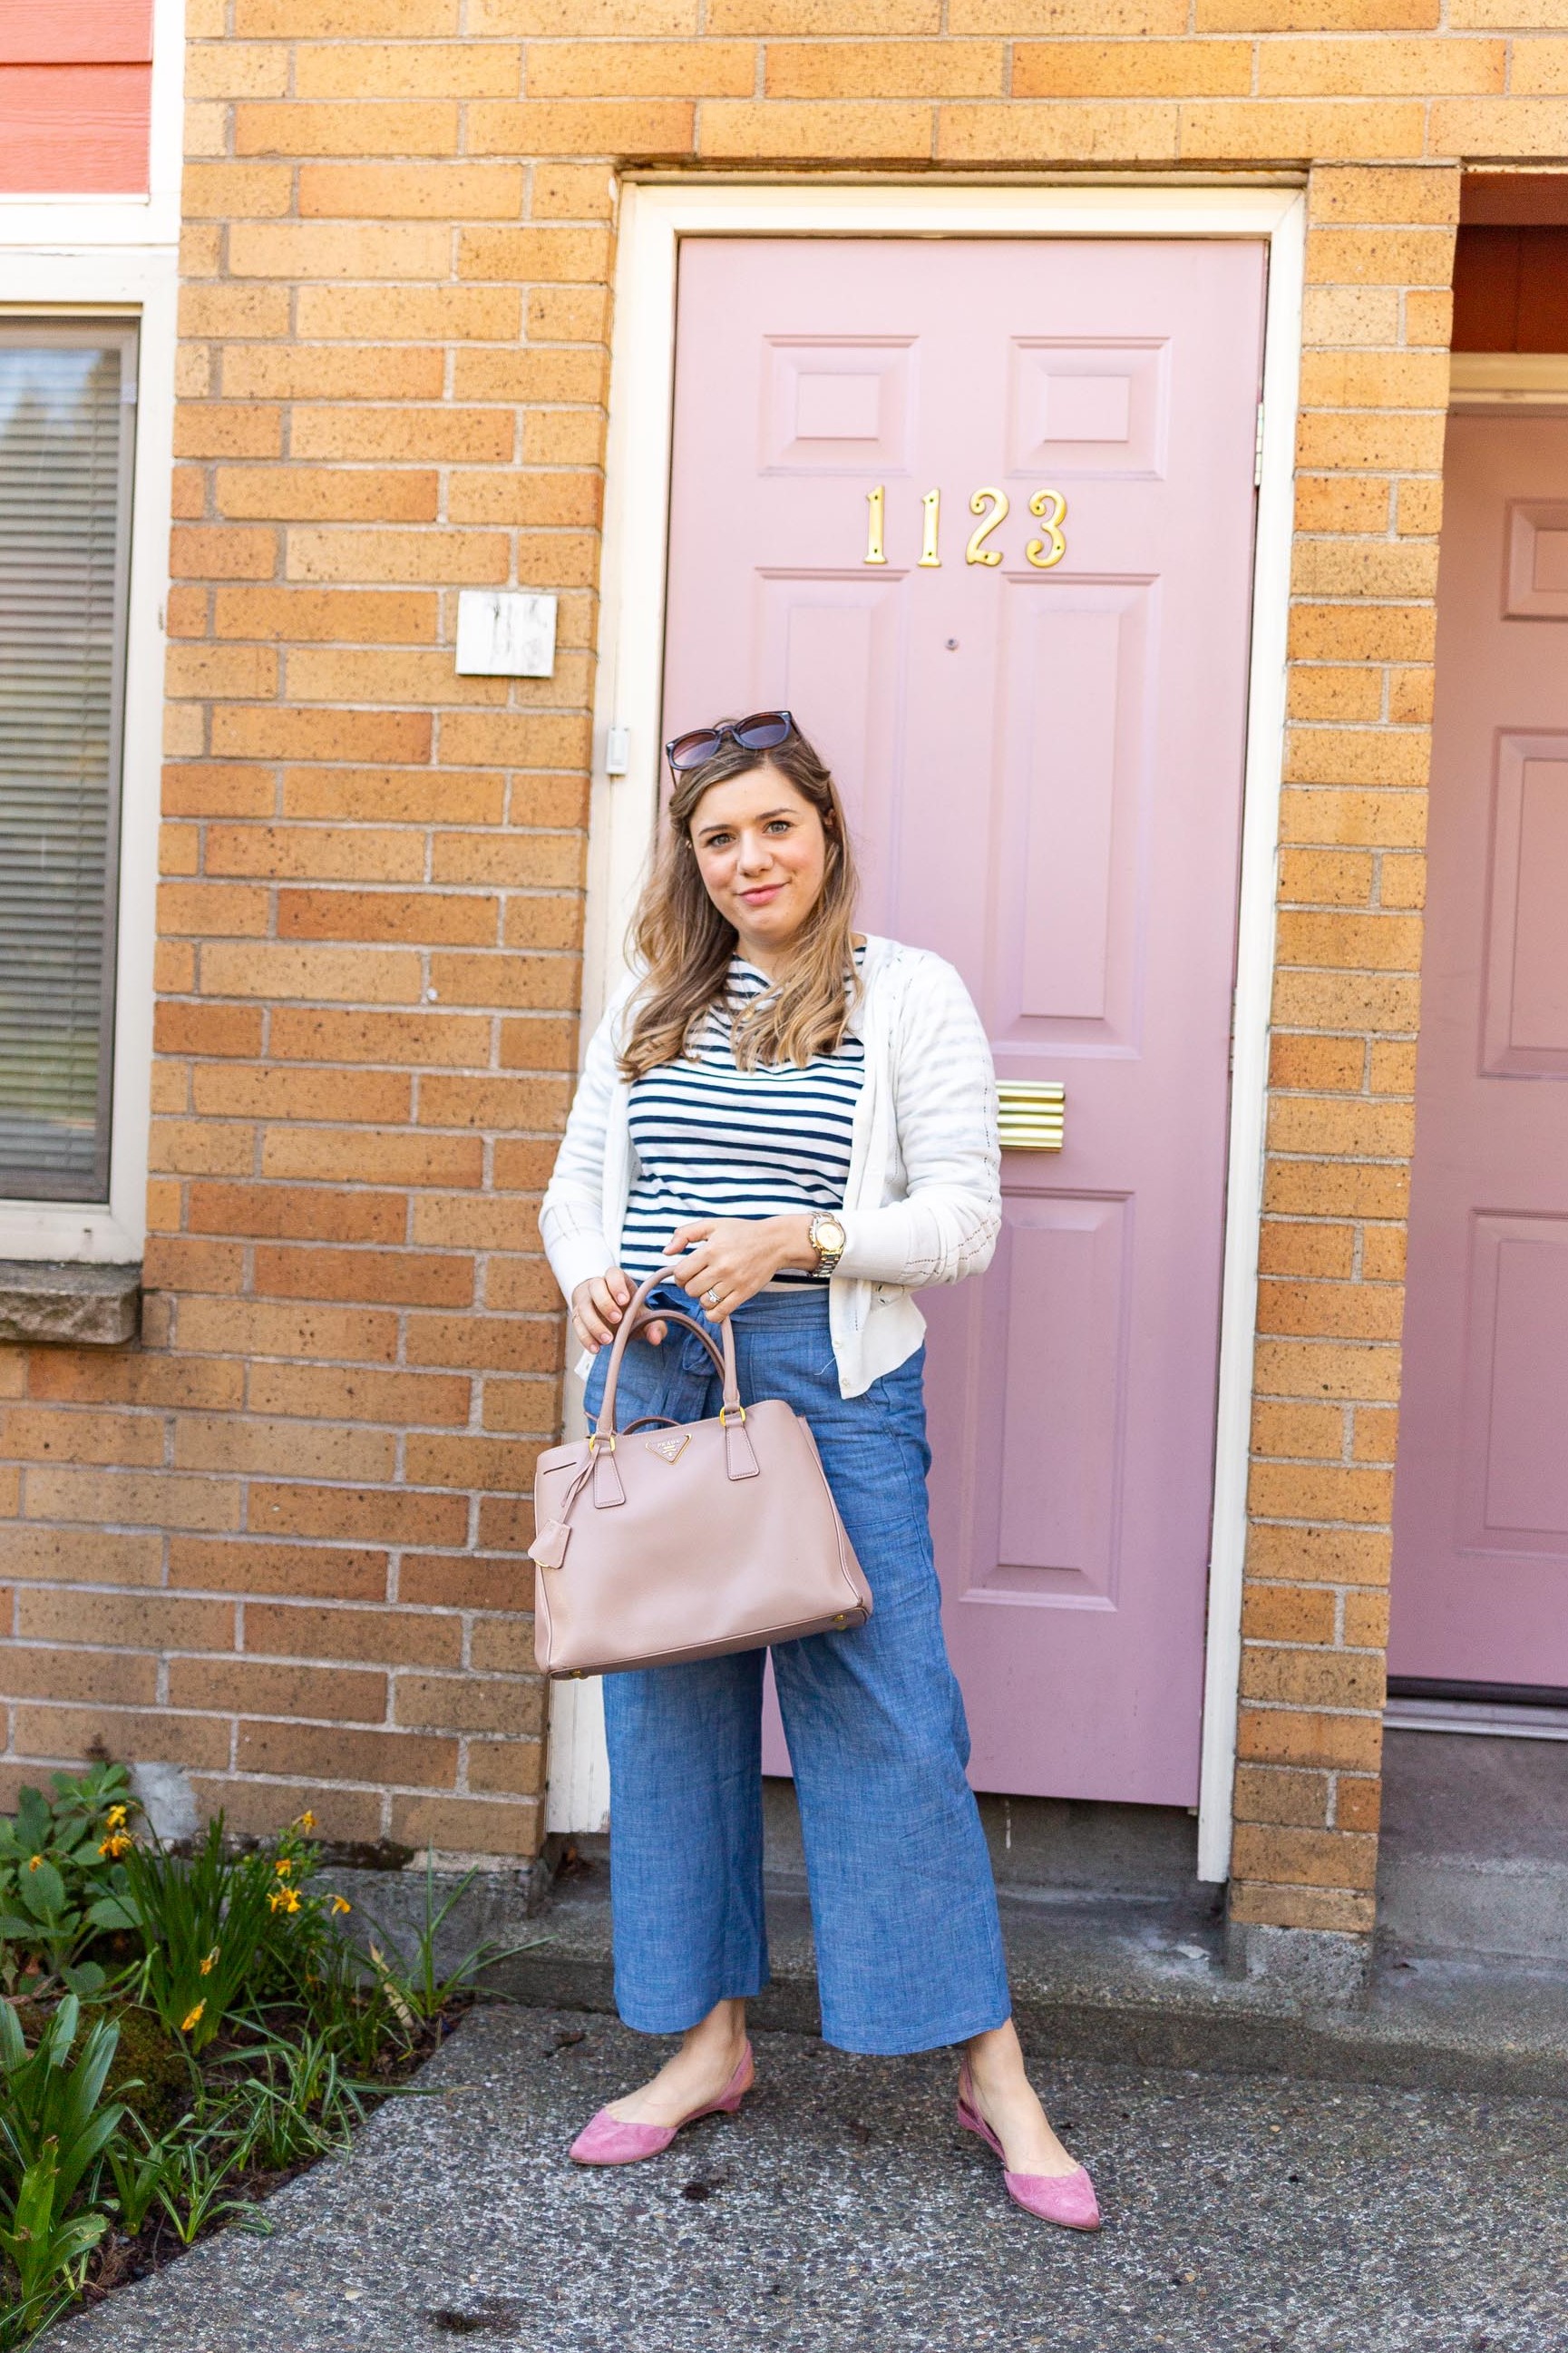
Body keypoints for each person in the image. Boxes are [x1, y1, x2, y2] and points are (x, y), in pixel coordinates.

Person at [539, 709, 1099, 2230]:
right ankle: (706, 2041)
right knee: (668, 1718)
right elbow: (577, 1182)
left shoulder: (905, 995)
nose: (746, 860)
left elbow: (964, 1219)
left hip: (829, 1384)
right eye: (717, 838)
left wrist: (805, 1235)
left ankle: (992, 2072)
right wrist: (590, 1271)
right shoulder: (656, 997)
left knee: (893, 1727)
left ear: (825, 834)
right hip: (653, 1372)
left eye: (771, 827)